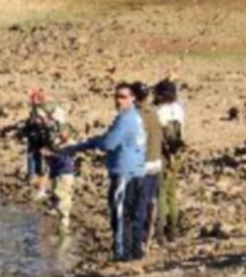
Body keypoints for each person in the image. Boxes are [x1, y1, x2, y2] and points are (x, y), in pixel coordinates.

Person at [64, 82, 147, 261]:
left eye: (123, 97)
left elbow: (109, 143)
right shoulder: (134, 116)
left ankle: (121, 253)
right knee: (132, 213)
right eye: (116, 96)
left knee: (120, 214)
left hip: (125, 172)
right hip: (136, 170)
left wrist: (90, 143)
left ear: (132, 98)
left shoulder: (126, 119)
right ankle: (134, 252)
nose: (118, 100)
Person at [154, 79, 185, 242]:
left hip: (163, 154)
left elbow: (163, 136)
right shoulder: (179, 109)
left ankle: (160, 230)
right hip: (177, 154)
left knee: (160, 192)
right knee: (172, 194)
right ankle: (173, 229)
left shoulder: (159, 112)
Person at [132, 81, 163, 249]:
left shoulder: (135, 116)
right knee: (150, 201)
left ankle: (138, 241)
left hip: (141, 165)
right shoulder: (154, 113)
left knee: (139, 203)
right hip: (155, 163)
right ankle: (147, 237)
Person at [17, 91, 53, 199]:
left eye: (33, 99)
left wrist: (26, 128)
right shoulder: (39, 110)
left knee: (33, 155)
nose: (31, 101)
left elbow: (39, 122)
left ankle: (33, 175)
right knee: (35, 155)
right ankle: (35, 174)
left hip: (38, 136)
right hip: (37, 135)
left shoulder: (40, 110)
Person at [44, 124, 76, 234]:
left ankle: (64, 225)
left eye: (62, 132)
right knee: (56, 195)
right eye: (59, 132)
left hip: (65, 174)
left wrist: (51, 154)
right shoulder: (58, 144)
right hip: (57, 174)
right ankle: (60, 220)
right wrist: (47, 155)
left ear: (68, 133)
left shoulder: (71, 144)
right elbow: (54, 158)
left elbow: (63, 159)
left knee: (63, 198)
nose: (59, 135)